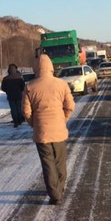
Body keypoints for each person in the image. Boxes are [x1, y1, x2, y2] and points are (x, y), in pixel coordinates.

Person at [22, 54, 75, 205]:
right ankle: (60, 187)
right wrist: (63, 119)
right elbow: (70, 106)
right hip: (59, 129)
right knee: (60, 161)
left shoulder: (30, 87)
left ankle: (54, 194)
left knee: (48, 164)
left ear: (36, 68)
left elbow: (26, 112)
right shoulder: (61, 84)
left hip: (41, 133)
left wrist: (35, 124)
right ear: (51, 67)